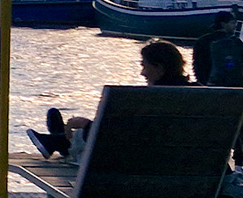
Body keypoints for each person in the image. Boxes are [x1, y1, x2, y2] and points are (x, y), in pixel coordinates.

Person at [27, 39, 187, 157]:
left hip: (138, 165)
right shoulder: (199, 95)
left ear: (159, 68)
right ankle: (60, 139)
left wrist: (84, 124)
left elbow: (117, 137)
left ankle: (61, 141)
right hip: (181, 164)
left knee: (96, 136)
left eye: (144, 66)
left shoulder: (151, 100)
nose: (142, 73)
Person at [191, 14, 243, 170]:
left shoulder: (202, 41)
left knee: (214, 127)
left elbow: (197, 67)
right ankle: (239, 165)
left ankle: (217, 164)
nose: (234, 26)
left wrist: (206, 84)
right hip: (236, 92)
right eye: (232, 22)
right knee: (240, 126)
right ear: (223, 24)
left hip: (212, 91)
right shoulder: (234, 41)